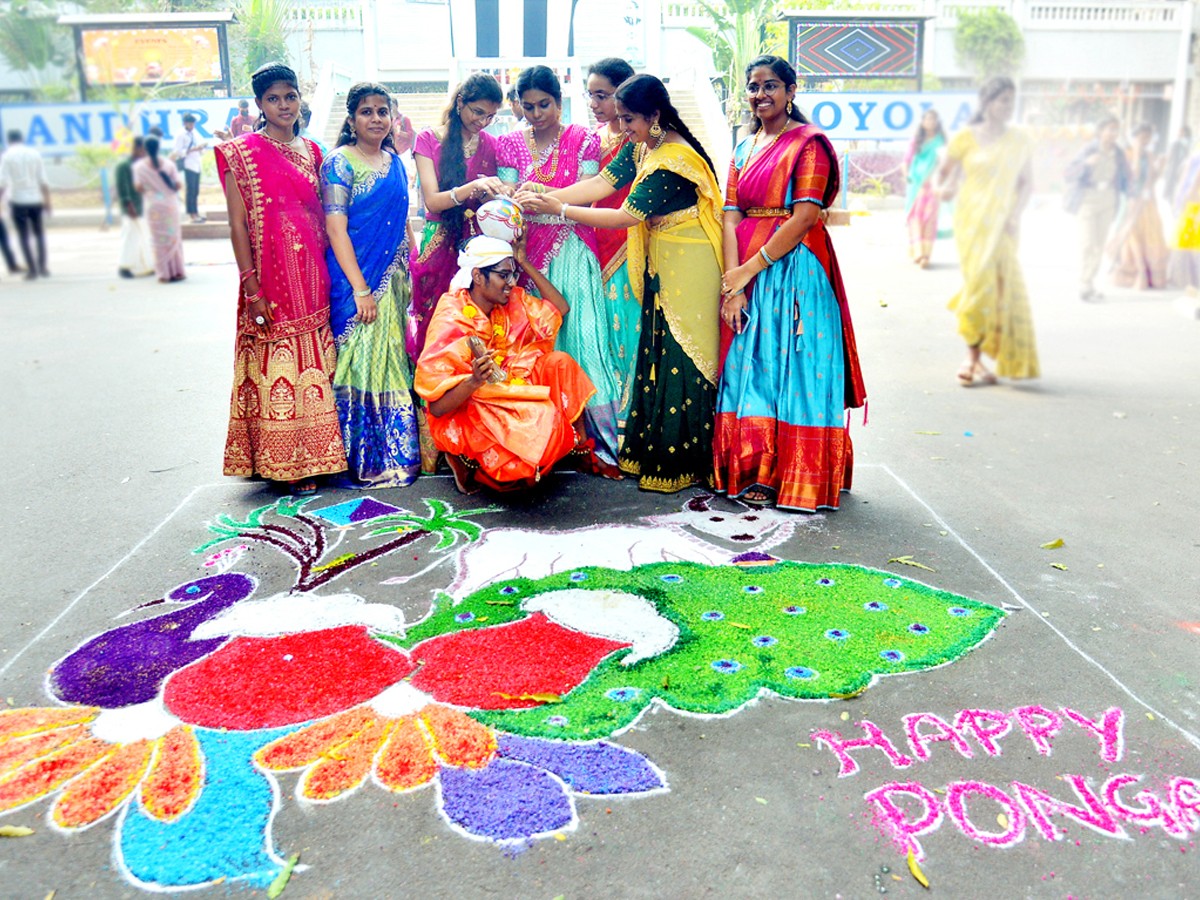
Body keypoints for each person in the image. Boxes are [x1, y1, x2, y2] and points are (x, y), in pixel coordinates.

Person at [517, 73, 723, 494]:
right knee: (658, 350)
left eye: (630, 119)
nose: (622, 126)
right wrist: (549, 191)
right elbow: (601, 185)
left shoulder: (673, 160)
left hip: (691, 264)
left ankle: (685, 461)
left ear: (655, 116)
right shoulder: (645, 145)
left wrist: (559, 208)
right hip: (661, 259)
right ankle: (652, 454)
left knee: (683, 356)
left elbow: (624, 215)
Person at [713, 55, 867, 512]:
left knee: (795, 369)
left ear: (792, 91)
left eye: (771, 86)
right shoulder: (743, 147)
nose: (761, 95)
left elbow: (803, 218)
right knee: (750, 366)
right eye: (754, 87)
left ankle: (798, 476)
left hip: (796, 273)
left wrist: (750, 268)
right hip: (750, 273)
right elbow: (730, 216)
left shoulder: (809, 145)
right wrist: (734, 283)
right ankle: (754, 468)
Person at [215, 62, 347, 493]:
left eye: (290, 96)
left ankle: (319, 456)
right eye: (273, 99)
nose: (284, 105)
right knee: (279, 360)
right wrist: (250, 284)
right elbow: (237, 225)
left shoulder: (314, 152)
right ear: (260, 104)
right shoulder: (241, 153)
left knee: (315, 360)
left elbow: (329, 215)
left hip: (313, 271)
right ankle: (281, 461)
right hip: (270, 277)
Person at [498, 65, 622, 473]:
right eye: (528, 106)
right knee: (536, 349)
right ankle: (542, 445)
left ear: (559, 98)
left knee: (586, 344)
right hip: (528, 255)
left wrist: (539, 193)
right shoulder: (509, 144)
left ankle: (603, 447)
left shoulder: (584, 140)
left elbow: (586, 202)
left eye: (544, 104)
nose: (536, 114)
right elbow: (508, 202)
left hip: (572, 245)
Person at [414, 235, 596, 494]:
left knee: (559, 363)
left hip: (512, 388)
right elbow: (438, 408)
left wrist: (525, 262)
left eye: (513, 275)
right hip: (471, 406)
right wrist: (474, 380)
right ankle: (464, 458)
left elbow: (559, 307)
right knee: (521, 468)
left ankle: (570, 449)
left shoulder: (511, 301)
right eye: (504, 275)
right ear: (477, 276)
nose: (511, 283)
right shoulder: (451, 318)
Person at [322, 83, 421, 488]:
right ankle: (360, 459)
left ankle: (396, 455)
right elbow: (335, 228)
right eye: (367, 112)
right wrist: (361, 289)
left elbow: (402, 224)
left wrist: (413, 267)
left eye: (383, 111)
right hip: (355, 281)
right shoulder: (339, 163)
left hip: (394, 277)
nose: (376, 119)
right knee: (359, 360)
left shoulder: (395, 161)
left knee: (392, 358)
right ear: (351, 119)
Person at [936, 76, 1038, 386]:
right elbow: (942, 176)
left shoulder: (1021, 140)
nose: (1008, 106)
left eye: (1011, 100)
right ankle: (972, 357)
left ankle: (977, 358)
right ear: (988, 102)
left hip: (1004, 224)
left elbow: (1027, 183)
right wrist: (947, 188)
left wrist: (1016, 215)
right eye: (1002, 100)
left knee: (999, 289)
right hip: (972, 222)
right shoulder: (965, 138)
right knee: (979, 285)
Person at [409, 74, 505, 363]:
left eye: (491, 116)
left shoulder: (490, 144)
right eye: (478, 112)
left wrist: (494, 193)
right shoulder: (428, 139)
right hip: (440, 241)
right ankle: (432, 392)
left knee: (475, 320)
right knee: (436, 320)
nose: (483, 122)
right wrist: (471, 188)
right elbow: (433, 200)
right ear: (460, 102)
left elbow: (493, 198)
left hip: (478, 244)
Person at [586, 57, 640, 443]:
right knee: (604, 332)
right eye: (590, 96)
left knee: (630, 331)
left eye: (602, 96)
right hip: (595, 243)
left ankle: (631, 422)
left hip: (630, 242)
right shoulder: (595, 138)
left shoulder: (637, 140)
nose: (594, 104)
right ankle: (606, 423)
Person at [1063, 115, 1129, 301]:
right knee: (1087, 243)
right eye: (1109, 129)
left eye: (1116, 129)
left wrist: (1132, 196)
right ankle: (1084, 283)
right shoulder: (1089, 149)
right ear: (1100, 131)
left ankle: (1089, 284)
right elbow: (1068, 173)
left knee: (1099, 245)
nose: (1113, 133)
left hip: (1108, 199)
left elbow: (1125, 177)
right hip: (1088, 199)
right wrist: (1086, 164)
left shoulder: (1118, 153)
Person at [1111, 123, 1169, 290]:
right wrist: (1136, 154)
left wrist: (1161, 166)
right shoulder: (1126, 154)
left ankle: (1149, 274)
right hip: (1131, 200)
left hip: (1147, 201)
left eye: (1147, 137)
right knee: (1131, 234)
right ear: (1133, 137)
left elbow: (1152, 179)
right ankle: (1139, 273)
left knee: (1149, 236)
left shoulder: (1149, 155)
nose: (1145, 140)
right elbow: (1133, 176)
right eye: (1141, 137)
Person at [133, 136, 185, 283]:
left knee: (158, 240)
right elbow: (178, 185)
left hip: (153, 207)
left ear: (145, 149)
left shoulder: (139, 167)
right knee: (173, 238)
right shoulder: (168, 164)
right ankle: (177, 271)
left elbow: (138, 187)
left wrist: (152, 190)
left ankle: (164, 273)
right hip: (170, 205)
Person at [0, 129, 51, 279]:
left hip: (18, 200)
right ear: (22, 139)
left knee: (23, 236)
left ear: (9, 140)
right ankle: (43, 267)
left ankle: (32, 269)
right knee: (39, 234)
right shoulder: (34, 153)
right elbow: (43, 179)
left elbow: (2, 182)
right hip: (36, 199)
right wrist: (47, 200)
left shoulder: (7, 156)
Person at [904, 108, 946, 268]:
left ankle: (926, 254)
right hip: (916, 186)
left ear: (937, 122)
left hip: (933, 186)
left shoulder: (941, 141)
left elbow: (943, 163)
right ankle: (918, 252)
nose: (930, 122)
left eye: (933, 120)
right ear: (922, 122)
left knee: (929, 218)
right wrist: (908, 176)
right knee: (914, 218)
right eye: (927, 119)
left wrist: (933, 178)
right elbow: (907, 161)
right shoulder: (916, 141)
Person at [114, 136, 154, 278]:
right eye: (142, 150)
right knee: (130, 236)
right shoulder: (124, 166)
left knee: (143, 237)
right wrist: (128, 204)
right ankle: (124, 266)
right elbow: (122, 187)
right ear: (136, 149)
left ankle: (145, 266)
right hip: (131, 207)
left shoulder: (142, 165)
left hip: (142, 205)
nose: (144, 153)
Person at [172, 113, 208, 223]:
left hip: (197, 163)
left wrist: (201, 148)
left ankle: (196, 212)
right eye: (190, 123)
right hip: (188, 164)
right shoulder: (180, 135)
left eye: (193, 123)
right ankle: (191, 214)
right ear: (185, 123)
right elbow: (177, 151)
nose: (192, 125)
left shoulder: (194, 133)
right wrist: (192, 149)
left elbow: (200, 146)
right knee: (190, 190)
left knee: (195, 190)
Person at [1164, 125, 1191, 201]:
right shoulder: (1179, 142)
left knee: (1175, 182)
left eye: (1181, 131)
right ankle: (1171, 197)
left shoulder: (1182, 142)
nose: (1179, 133)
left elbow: (1170, 154)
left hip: (1178, 165)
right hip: (1175, 165)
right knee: (1173, 182)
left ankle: (1172, 197)